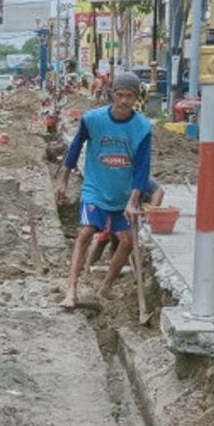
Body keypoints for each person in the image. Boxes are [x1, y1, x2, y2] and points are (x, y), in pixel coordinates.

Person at [55, 71, 153, 309]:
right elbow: (75, 148)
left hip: (123, 193)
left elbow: (142, 168)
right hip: (96, 188)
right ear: (112, 95)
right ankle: (71, 290)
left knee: (128, 241)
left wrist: (133, 201)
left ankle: (106, 286)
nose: (123, 101)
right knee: (86, 233)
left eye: (129, 96)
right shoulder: (93, 119)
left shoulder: (142, 128)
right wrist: (64, 179)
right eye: (119, 95)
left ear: (136, 98)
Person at [85, 177, 163, 273]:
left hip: (140, 208)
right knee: (104, 237)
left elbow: (159, 191)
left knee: (128, 240)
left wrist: (151, 211)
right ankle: (90, 266)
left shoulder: (139, 179)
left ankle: (132, 265)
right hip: (118, 210)